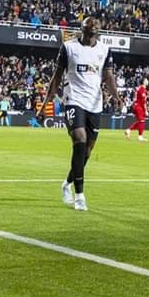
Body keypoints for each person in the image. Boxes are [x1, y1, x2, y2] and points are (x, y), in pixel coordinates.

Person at [38, 17, 117, 212]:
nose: (94, 26)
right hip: (73, 99)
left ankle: (67, 183)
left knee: (87, 152)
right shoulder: (68, 48)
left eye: (97, 24)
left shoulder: (104, 50)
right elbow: (56, 78)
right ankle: (79, 196)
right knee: (79, 139)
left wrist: (117, 96)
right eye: (90, 24)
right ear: (82, 28)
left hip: (95, 104)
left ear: (99, 30)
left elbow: (108, 77)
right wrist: (44, 106)